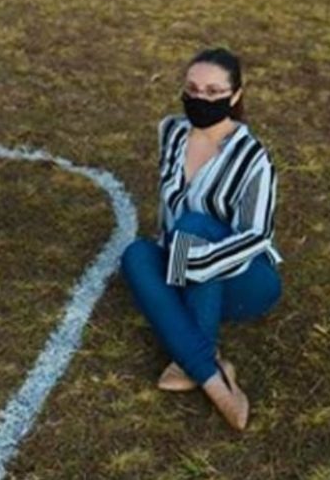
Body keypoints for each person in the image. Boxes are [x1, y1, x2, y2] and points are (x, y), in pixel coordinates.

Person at [120, 48, 282, 431]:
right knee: (136, 254)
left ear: (236, 95)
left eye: (213, 92)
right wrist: (176, 260)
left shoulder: (252, 157)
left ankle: (201, 366)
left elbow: (257, 235)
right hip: (181, 258)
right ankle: (214, 375)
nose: (200, 99)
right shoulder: (171, 132)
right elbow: (167, 211)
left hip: (245, 279)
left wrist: (190, 266)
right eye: (192, 89)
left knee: (194, 225)